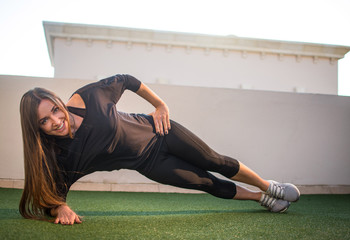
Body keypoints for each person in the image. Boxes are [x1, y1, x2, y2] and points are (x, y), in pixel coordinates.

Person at [19, 74, 300, 225]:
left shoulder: (87, 96)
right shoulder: (60, 154)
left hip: (161, 132)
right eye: (44, 120)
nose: (56, 121)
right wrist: (61, 208)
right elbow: (55, 192)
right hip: (149, 164)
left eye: (55, 110)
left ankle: (269, 185)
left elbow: (127, 80)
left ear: (59, 101)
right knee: (207, 183)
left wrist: (160, 106)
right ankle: (258, 198)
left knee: (215, 161)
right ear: (37, 129)